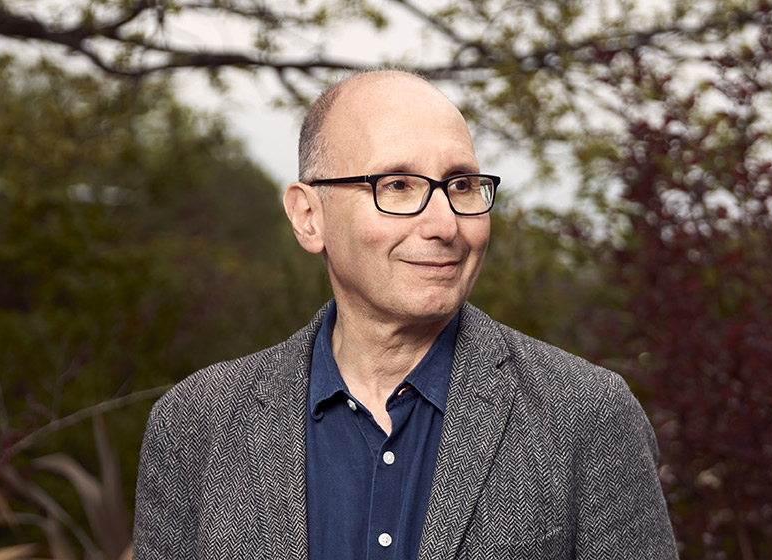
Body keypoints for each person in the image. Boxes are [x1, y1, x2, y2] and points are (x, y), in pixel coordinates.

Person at [130, 70, 676, 559]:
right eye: (396, 185)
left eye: (461, 186)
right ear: (308, 216)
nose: (445, 224)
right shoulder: (195, 424)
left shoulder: (588, 417)